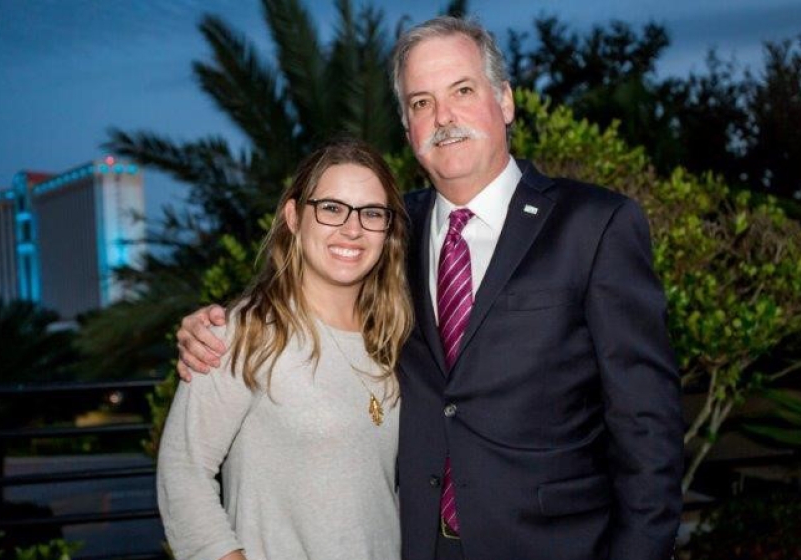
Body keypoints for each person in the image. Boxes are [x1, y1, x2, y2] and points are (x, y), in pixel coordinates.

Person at [176, 16, 684, 560]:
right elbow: (308, 293)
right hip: (418, 546)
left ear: (505, 101)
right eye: (421, 103)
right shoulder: (387, 229)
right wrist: (212, 328)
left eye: (462, 91)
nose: (443, 117)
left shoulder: (594, 225)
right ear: (407, 128)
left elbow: (646, 426)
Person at [157, 139, 413, 560]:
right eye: (331, 208)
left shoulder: (393, 339)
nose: (352, 229)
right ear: (294, 216)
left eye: (371, 213)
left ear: (387, 231)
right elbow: (183, 471)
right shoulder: (244, 333)